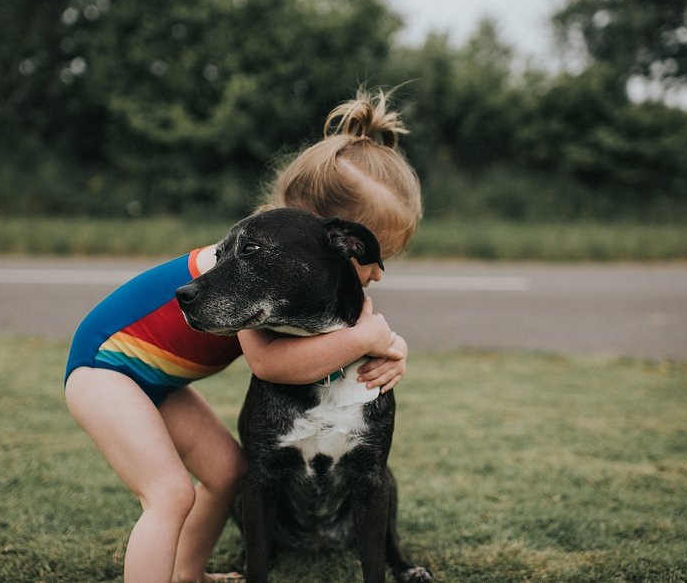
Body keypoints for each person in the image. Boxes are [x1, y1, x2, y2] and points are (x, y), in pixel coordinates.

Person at [63, 87, 422, 583]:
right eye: (370, 257)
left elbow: (353, 333)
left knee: (229, 471)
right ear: (323, 235)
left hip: (155, 380)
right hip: (104, 369)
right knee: (169, 493)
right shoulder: (241, 268)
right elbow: (270, 364)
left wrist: (392, 347)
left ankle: (188, 573)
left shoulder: (285, 269)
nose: (377, 272)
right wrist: (369, 340)